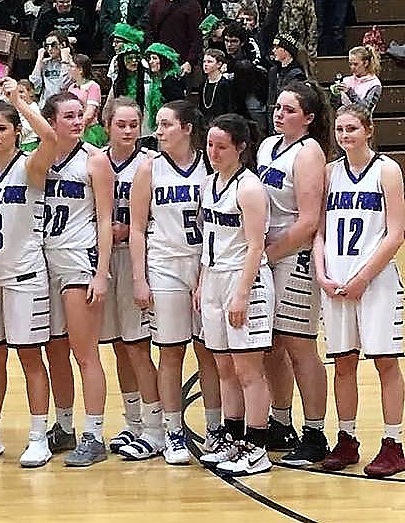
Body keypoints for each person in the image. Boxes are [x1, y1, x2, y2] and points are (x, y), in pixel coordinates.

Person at [125, 100, 222, 465]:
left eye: (166, 124)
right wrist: (139, 277)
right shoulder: (149, 169)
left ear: (186, 128)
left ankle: (215, 429)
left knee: (209, 351)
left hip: (205, 266)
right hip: (164, 265)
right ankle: (173, 432)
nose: (159, 131)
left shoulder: (211, 166)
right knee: (170, 350)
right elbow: (136, 228)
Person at [0, 78, 57, 468]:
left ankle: (38, 435)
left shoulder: (30, 166)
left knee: (30, 357)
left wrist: (20, 103)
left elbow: (51, 139)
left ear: (16, 132)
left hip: (26, 275)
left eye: (1, 129)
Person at [315, 104, 405, 478]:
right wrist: (322, 273)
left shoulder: (387, 170)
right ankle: (347, 438)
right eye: (339, 129)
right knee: (343, 363)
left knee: (385, 361)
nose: (344, 135)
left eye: (352, 128)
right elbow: (319, 231)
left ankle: (392, 443)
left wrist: (364, 277)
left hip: (376, 281)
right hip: (336, 282)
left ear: (368, 129)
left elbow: (396, 233)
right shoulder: (329, 173)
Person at [257, 80, 332, 466]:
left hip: (294, 257)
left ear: (308, 118)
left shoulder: (308, 153)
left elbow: (307, 223)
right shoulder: (268, 146)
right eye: (278, 107)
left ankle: (316, 432)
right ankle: (280, 420)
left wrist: (264, 254)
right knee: (270, 346)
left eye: (288, 110)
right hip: (267, 257)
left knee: (300, 346)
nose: (279, 113)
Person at [196, 113, 275, 476]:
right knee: (223, 367)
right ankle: (231, 438)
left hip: (244, 280)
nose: (213, 152)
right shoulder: (207, 183)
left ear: (240, 148)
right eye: (210, 145)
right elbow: (206, 238)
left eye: (221, 146)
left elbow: (256, 247)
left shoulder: (250, 188)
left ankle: (257, 446)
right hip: (213, 278)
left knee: (248, 371)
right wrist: (201, 281)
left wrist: (242, 294)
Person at [40, 92, 113, 467]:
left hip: (77, 259)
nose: (77, 121)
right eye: (68, 116)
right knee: (54, 351)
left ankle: (94, 433)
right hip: (42, 261)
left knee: (84, 352)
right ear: (51, 121)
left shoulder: (95, 161)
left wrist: (101, 273)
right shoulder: (38, 157)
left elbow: (104, 220)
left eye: (78, 114)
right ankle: (64, 425)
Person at [98, 97, 152, 454]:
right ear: (108, 126)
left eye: (134, 124)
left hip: (136, 257)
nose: (129, 131)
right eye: (122, 125)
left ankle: (154, 423)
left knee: (137, 345)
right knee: (119, 346)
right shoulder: (96, 160)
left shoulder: (149, 164)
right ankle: (133, 422)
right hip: (102, 257)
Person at [147, 0, 203, 80]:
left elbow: (197, 37)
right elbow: (149, 30)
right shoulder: (156, 3)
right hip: (158, 62)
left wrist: (190, 61)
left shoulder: (191, 5)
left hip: (181, 63)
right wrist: (151, 53)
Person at [266, 34, 308, 133]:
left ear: (286, 51)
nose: (273, 50)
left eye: (277, 47)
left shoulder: (297, 74)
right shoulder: (274, 71)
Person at [143, 43, 185, 135]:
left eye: (154, 58)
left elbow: (177, 106)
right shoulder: (156, 80)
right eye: (149, 59)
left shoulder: (170, 80)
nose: (151, 61)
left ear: (163, 60)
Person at [68, 53, 106, 147]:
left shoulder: (93, 86)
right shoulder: (71, 88)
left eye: (72, 66)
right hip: (74, 128)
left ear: (80, 69)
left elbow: (90, 113)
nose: (69, 69)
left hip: (90, 131)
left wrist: (80, 127)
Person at [32, 0, 96, 57]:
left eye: (68, 2)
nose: (65, 5)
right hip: (54, 50)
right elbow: (38, 36)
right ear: (56, 2)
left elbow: (88, 34)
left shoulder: (81, 14)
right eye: (61, 2)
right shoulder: (47, 16)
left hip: (78, 49)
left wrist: (75, 39)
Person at [333, 46, 383, 114]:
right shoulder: (346, 80)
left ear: (366, 63)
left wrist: (349, 92)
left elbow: (365, 109)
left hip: (362, 122)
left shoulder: (374, 84)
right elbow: (335, 106)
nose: (352, 67)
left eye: (355, 64)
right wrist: (335, 94)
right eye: (350, 64)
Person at [28, 30, 72, 108]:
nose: (50, 49)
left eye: (53, 45)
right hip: (46, 105)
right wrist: (39, 60)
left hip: (63, 104)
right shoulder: (45, 63)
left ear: (63, 45)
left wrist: (65, 61)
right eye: (47, 45)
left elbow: (64, 84)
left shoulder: (72, 63)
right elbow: (34, 85)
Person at [199, 48, 234, 125]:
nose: (205, 64)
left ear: (219, 64)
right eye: (204, 61)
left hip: (222, 123)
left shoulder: (225, 84)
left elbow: (229, 107)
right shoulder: (203, 84)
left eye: (210, 62)